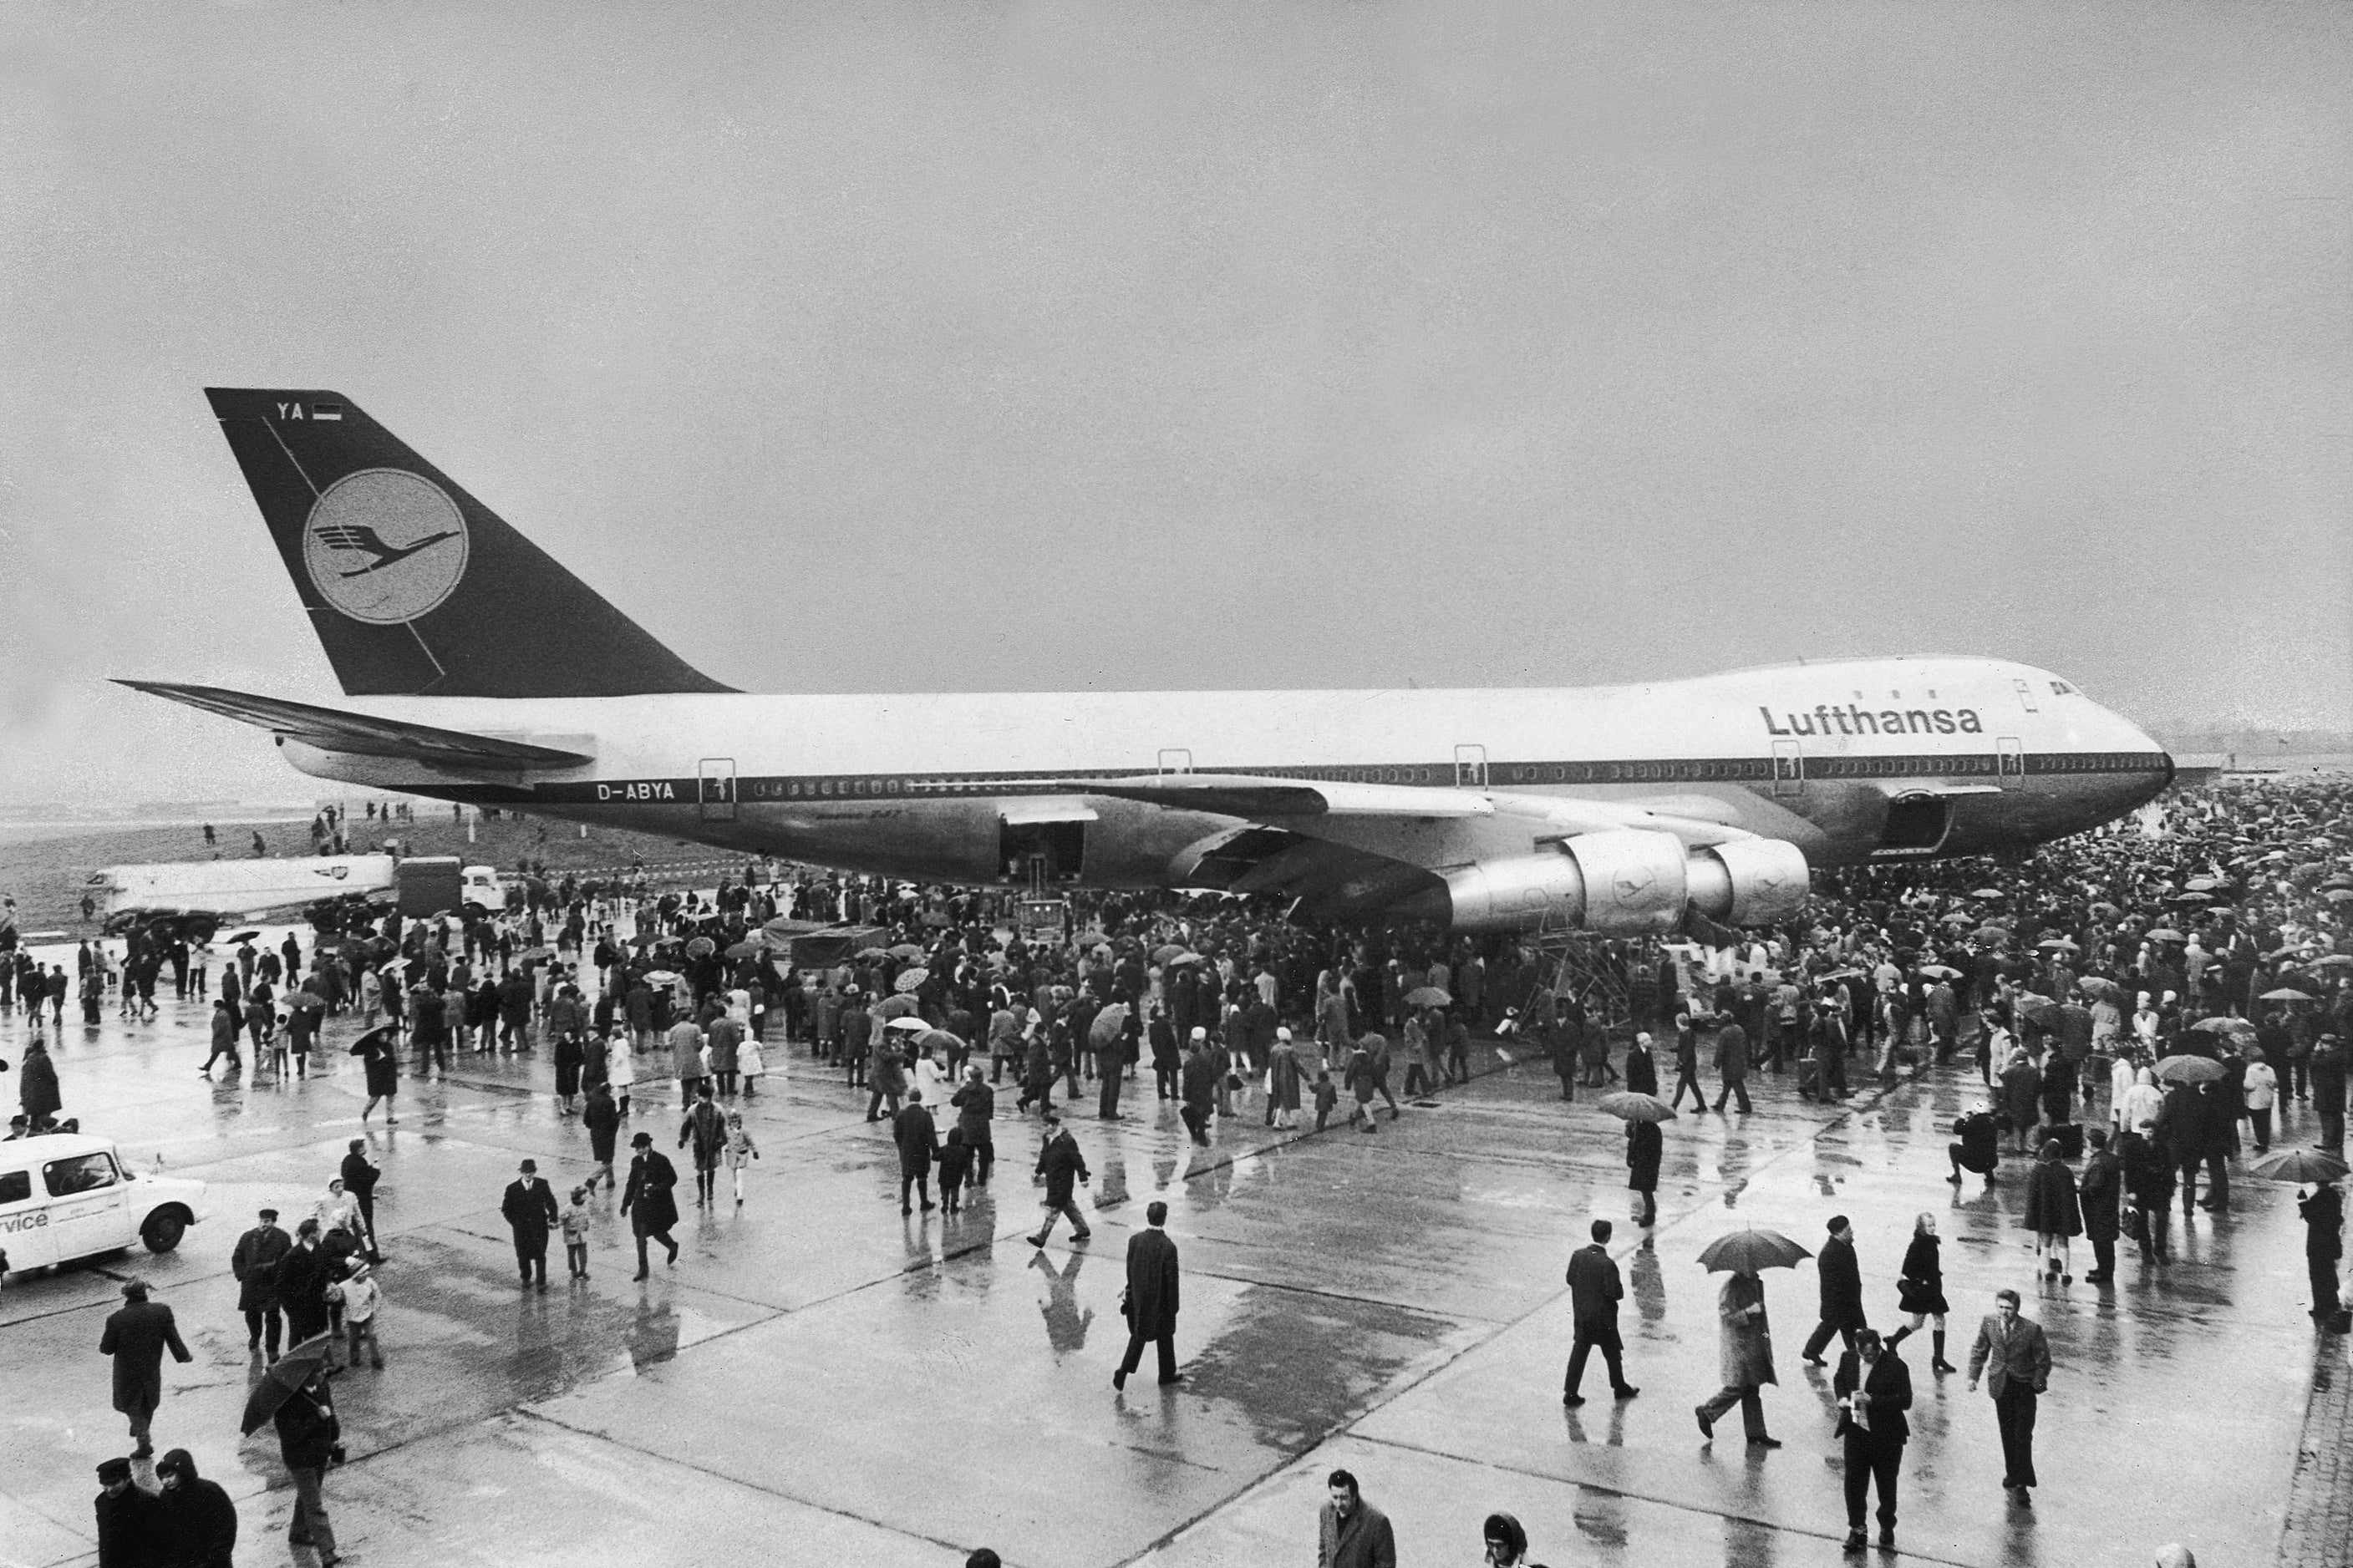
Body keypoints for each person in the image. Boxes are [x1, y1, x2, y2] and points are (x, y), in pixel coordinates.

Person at [1966, 1287, 2051, 1503]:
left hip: (2024, 1386)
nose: (2004, 1312)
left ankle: (2023, 1484)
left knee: (2023, 1435)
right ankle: (2012, 1473)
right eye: (2001, 1307)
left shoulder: (2032, 1329)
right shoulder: (1988, 1322)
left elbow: (2044, 1360)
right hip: (2001, 1384)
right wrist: (1973, 1377)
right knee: (2007, 1432)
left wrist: (2036, 1385)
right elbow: (1979, 1350)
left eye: (2009, 1308)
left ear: (2017, 1309)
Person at [1833, 1327, 1913, 1551]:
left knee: (1886, 1486)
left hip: (1886, 1437)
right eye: (1861, 1354)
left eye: (1869, 1355)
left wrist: (1873, 1400)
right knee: (1854, 1485)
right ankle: (1857, 1530)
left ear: (1879, 1348)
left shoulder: (1896, 1366)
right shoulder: (1848, 1358)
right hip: (1856, 1432)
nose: (1865, 1358)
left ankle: (1887, 1525)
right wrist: (1841, 1398)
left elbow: (1905, 1401)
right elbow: (1839, 1378)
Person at [99, 1280, 191, 1458]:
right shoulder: (162, 1311)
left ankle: (144, 1443)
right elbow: (173, 1338)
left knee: (131, 1405)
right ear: (145, 1292)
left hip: (126, 1372)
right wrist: (184, 1356)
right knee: (148, 1402)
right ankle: (141, 1430)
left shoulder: (116, 1318)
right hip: (151, 1367)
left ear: (126, 1295)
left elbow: (106, 1349)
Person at [1695, 1266, 1778, 1446]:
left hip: (1755, 1344)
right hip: (1739, 1347)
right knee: (1738, 1386)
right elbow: (1726, 1316)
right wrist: (1748, 1312)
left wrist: (1766, 1338)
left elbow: (1762, 1318)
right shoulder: (1733, 1286)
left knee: (1752, 1388)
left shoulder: (1756, 1282)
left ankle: (1756, 1433)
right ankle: (1708, 1411)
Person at [1562, 1218, 1638, 1405]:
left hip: (1582, 1314)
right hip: (1603, 1318)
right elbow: (1615, 1293)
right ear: (1608, 1237)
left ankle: (1570, 1392)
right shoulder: (1607, 1263)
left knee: (1579, 1352)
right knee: (1612, 1352)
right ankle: (1619, 1387)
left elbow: (1570, 1279)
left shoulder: (1577, 1255)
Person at [1113, 1198, 1182, 1390]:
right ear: (1165, 1219)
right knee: (1165, 1336)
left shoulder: (1135, 1241)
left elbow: (1130, 1269)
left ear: (1148, 1217)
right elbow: (1171, 1281)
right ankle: (1166, 1373)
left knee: (1139, 1334)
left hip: (1139, 1297)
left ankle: (1124, 1370)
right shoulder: (1168, 1247)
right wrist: (1174, 1307)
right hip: (1160, 1301)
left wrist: (1130, 1291)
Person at [274, 1368, 340, 1564]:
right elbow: (290, 1435)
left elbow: (331, 1411)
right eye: (318, 1371)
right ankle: (327, 1551)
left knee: (308, 1495)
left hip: (320, 1452)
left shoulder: (322, 1386)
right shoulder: (286, 1399)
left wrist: (334, 1435)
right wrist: (317, 1418)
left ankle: (298, 1531)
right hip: (300, 1458)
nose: (323, 1374)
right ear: (306, 1374)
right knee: (314, 1505)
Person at [1885, 1213, 1956, 1372]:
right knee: (1918, 1323)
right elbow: (1907, 1269)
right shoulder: (1916, 1245)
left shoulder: (1931, 1242)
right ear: (1921, 1227)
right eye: (1929, 1225)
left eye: (1933, 1224)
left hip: (1934, 1289)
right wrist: (1920, 1281)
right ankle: (1893, 1341)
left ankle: (1938, 1358)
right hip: (1922, 1291)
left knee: (1940, 1320)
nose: (1932, 1228)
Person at [155, 1448, 238, 1568]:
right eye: (162, 1477)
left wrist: (215, 1558)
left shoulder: (209, 1491)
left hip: (213, 1561)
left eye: (170, 1475)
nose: (165, 1481)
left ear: (183, 1471)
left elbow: (226, 1527)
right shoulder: (166, 1496)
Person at [1802, 1215, 1866, 1364]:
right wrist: (1846, 1301)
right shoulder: (1829, 1254)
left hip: (1848, 1299)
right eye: (1848, 1230)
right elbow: (1832, 1284)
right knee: (1850, 1330)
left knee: (1830, 1327)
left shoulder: (1846, 1246)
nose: (1852, 1232)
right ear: (1838, 1233)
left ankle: (1811, 1351)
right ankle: (1856, 1357)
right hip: (1840, 1301)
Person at [231, 1208, 292, 1359]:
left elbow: (288, 1260)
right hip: (251, 1283)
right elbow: (237, 1257)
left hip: (272, 1284)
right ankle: (255, 1336)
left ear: (273, 1222)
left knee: (273, 1317)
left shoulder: (282, 1237)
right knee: (252, 1315)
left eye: (268, 1221)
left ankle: (272, 1349)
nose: (264, 1224)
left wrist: (280, 1276)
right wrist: (243, 1276)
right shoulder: (248, 1237)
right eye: (262, 1220)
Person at [622, 1131, 682, 1280]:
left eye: (639, 1147)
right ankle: (643, 1269)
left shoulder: (661, 1160)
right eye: (636, 1148)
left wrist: (656, 1188)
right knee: (640, 1237)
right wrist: (625, 1204)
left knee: (658, 1232)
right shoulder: (636, 1161)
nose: (637, 1151)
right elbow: (631, 1183)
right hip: (640, 1205)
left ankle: (672, 1246)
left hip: (657, 1205)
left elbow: (672, 1179)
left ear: (647, 1147)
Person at [2022, 1138, 2082, 1282]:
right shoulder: (2065, 1171)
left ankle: (2047, 1270)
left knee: (2045, 1242)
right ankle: (2066, 1273)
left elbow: (2032, 1194)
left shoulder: (2038, 1170)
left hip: (2045, 1212)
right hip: (2062, 1212)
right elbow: (2071, 1193)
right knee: (2063, 1242)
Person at [1028, 1113, 1093, 1246]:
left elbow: (1077, 1159)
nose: (1044, 1128)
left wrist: (1083, 1178)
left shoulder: (1067, 1140)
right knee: (1068, 1205)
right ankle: (1083, 1230)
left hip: (1064, 1181)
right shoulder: (1047, 1138)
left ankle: (1041, 1238)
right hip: (1052, 1179)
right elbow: (1044, 1155)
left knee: (1054, 1208)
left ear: (1054, 1126)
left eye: (1047, 1125)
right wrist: (1038, 1171)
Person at [499, 1159, 559, 1289]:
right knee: (522, 1255)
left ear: (534, 1172)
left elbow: (551, 1202)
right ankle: (525, 1278)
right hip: (521, 1229)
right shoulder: (512, 1189)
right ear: (521, 1172)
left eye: (530, 1172)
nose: (528, 1175)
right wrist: (516, 1223)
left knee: (540, 1255)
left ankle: (541, 1282)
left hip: (540, 1227)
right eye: (525, 1172)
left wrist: (553, 1218)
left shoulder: (542, 1184)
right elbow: (506, 1209)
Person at [1317, 1469, 1395, 1568]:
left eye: (1344, 1498)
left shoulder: (1377, 1521)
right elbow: (1324, 1549)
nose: (1339, 1504)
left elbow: (1386, 1564)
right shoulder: (1326, 1511)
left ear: (1355, 1495)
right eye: (1335, 1497)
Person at [94, 1455, 161, 1568]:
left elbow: (158, 1543)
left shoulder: (147, 1501)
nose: (109, 1489)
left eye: (114, 1483)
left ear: (128, 1478)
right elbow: (104, 1540)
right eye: (105, 1484)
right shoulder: (101, 1502)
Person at [2077, 1128, 2123, 1284]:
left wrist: (2080, 1189)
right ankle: (2103, 1269)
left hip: (2098, 1210)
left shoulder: (2098, 1163)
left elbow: (2094, 1187)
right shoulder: (2110, 1158)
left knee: (2101, 1242)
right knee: (2106, 1242)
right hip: (2108, 1207)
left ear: (2092, 1143)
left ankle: (2104, 1273)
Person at [326, 1259, 385, 1369]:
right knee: (354, 1339)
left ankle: (376, 1361)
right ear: (356, 1275)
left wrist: (374, 1308)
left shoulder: (370, 1282)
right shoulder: (344, 1285)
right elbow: (335, 1295)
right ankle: (355, 1359)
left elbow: (377, 1294)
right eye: (363, 1273)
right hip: (352, 1318)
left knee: (371, 1336)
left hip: (367, 1315)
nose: (366, 1275)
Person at [2300, 1178, 2345, 1323]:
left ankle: (2321, 1308)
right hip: (2330, 1243)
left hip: (2318, 1244)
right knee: (2329, 1274)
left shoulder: (2321, 1196)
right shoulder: (2333, 1195)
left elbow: (2312, 1217)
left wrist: (2303, 1202)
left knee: (2318, 1276)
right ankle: (2332, 1303)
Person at [679, 1082, 727, 1206]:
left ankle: (710, 1189)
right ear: (698, 1096)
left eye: (707, 1097)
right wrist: (682, 1139)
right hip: (698, 1143)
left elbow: (724, 1127)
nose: (704, 1100)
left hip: (713, 1142)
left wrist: (723, 1141)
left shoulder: (718, 1110)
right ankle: (701, 1194)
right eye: (702, 1097)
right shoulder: (692, 1110)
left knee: (711, 1167)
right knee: (699, 1169)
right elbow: (686, 1125)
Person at [894, 1088, 938, 1214]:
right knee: (922, 1176)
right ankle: (924, 1202)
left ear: (909, 1099)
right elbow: (931, 1135)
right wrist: (935, 1151)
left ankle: (906, 1206)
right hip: (921, 1150)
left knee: (907, 1178)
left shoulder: (902, 1114)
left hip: (906, 1150)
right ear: (920, 1098)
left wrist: (901, 1146)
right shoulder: (925, 1114)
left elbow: (897, 1133)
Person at [338, 1141, 384, 1261]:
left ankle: (362, 1256)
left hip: (352, 1199)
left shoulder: (348, 1160)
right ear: (359, 1150)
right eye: (364, 1147)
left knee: (356, 1228)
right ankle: (373, 1257)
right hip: (362, 1200)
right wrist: (376, 1170)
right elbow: (369, 1180)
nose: (366, 1149)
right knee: (367, 1227)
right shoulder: (358, 1163)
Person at [1947, 1102, 2000, 1185]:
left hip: (1975, 1164)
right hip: (1992, 1162)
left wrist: (1962, 1118)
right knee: (1985, 1149)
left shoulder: (1972, 1123)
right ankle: (1990, 1177)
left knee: (1953, 1147)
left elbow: (1957, 1130)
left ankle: (1957, 1175)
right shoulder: (1992, 1123)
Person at [583, 1080, 622, 1191]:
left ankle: (610, 1181)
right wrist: (613, 1131)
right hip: (608, 1134)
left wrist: (594, 1128)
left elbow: (586, 1120)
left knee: (606, 1160)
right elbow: (614, 1120)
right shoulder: (610, 1102)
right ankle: (592, 1180)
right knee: (608, 1160)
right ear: (607, 1090)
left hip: (595, 1134)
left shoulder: (591, 1102)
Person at [1626, 1114, 1662, 1227]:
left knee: (1646, 1190)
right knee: (1645, 1190)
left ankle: (1649, 1216)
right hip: (1647, 1163)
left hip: (1647, 1164)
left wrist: (1633, 1134)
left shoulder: (1649, 1129)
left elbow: (1639, 1144)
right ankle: (1649, 1214)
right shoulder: (1649, 1128)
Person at [1711, 1021, 1752, 1114]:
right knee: (1728, 1084)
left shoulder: (1724, 1032)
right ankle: (1720, 1104)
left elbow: (1720, 1050)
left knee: (1737, 1085)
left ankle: (1746, 1107)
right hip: (1740, 1061)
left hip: (1729, 1063)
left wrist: (1716, 1064)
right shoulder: (1739, 1029)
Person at [723, 1110, 760, 1205]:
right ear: (729, 1121)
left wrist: (754, 1151)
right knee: (735, 1173)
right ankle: (737, 1188)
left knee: (739, 1173)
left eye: (736, 1119)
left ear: (739, 1120)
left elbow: (750, 1142)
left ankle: (740, 1196)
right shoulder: (727, 1130)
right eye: (732, 1120)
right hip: (731, 1155)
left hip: (742, 1154)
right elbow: (723, 1140)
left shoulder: (744, 1131)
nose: (735, 1122)